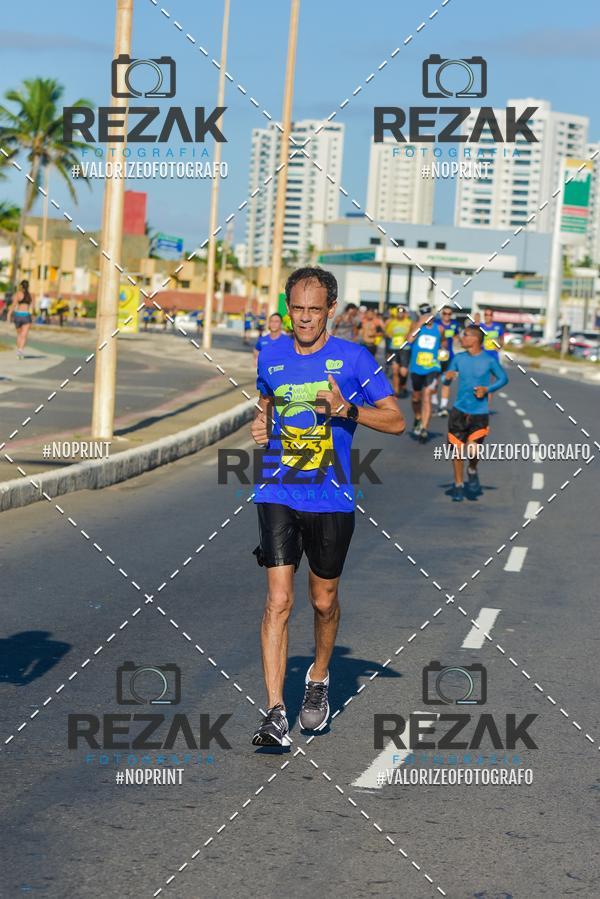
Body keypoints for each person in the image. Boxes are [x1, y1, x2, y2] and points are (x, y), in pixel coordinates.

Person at [250, 267, 405, 747]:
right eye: (297, 308)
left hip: (331, 497)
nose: (305, 318)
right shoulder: (270, 353)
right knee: (278, 599)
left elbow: (397, 421)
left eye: (315, 310)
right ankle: (275, 711)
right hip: (278, 489)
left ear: (331, 311)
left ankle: (318, 677)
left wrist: (347, 410)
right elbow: (265, 404)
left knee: (323, 601)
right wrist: (260, 426)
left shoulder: (355, 360)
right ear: (287, 307)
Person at [443, 326, 509, 502]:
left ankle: (472, 469)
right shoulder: (458, 358)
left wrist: (487, 389)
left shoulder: (489, 360)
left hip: (479, 413)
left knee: (473, 451)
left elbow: (503, 378)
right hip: (459, 411)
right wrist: (447, 377)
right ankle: (458, 485)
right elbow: (445, 379)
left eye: (465, 335)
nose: (461, 337)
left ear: (475, 339)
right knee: (457, 452)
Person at [407, 303, 444, 443]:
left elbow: (444, 343)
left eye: (428, 313)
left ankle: (424, 428)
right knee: (416, 398)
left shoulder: (439, 329)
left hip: (432, 368)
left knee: (427, 395)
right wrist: (419, 324)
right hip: (417, 368)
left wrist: (443, 355)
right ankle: (417, 417)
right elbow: (409, 340)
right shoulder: (417, 327)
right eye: (423, 313)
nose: (427, 316)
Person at [434, 306, 460, 417]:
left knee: (446, 381)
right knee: (433, 381)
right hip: (436, 356)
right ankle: (434, 404)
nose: (447, 316)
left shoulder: (454, 325)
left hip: (449, 356)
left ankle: (443, 406)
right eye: (445, 313)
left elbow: (457, 338)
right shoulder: (436, 324)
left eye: (449, 314)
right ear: (441, 314)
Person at [385, 305, 412, 397]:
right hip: (394, 348)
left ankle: (402, 386)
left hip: (405, 349)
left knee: (403, 372)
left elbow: (413, 333)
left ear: (404, 313)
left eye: (402, 312)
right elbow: (388, 333)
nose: (400, 314)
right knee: (395, 370)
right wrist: (391, 336)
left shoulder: (409, 322)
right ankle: (395, 392)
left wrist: (408, 337)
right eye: (398, 312)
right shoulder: (392, 322)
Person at [11, 279, 34, 359]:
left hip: (18, 315)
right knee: (24, 335)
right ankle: (20, 350)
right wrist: (32, 316)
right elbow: (32, 308)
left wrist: (9, 314)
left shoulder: (18, 294)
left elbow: (14, 305)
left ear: (21, 286)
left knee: (19, 335)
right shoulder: (30, 295)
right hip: (26, 316)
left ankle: (18, 351)